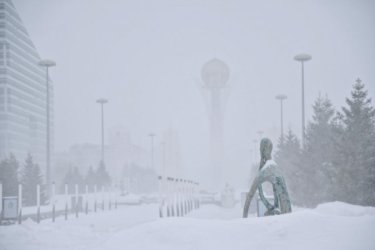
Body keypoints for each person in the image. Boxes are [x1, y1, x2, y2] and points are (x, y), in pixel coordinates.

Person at [243, 138, 292, 217]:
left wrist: (244, 217)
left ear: (263, 150)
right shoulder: (277, 169)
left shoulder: (265, 171)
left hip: (283, 218)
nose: (259, 151)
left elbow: (249, 197)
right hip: (287, 215)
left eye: (260, 149)